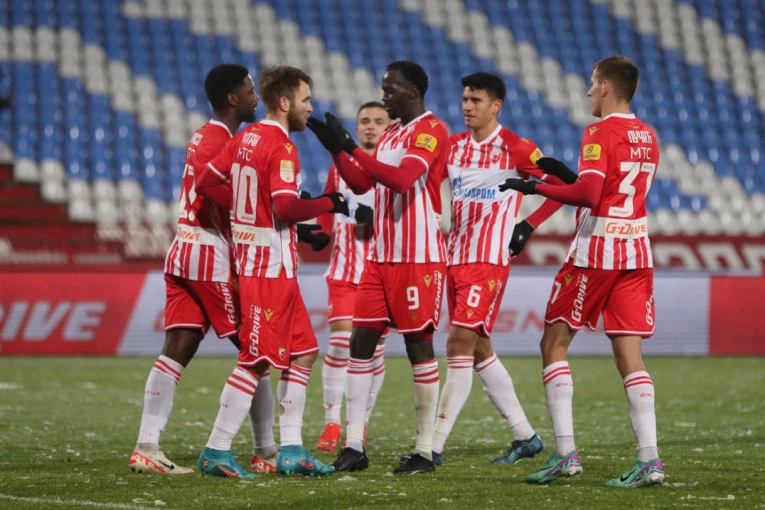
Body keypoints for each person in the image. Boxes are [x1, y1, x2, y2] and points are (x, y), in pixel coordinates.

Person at [498, 56, 664, 488]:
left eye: (592, 83)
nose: (588, 91)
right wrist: (568, 177)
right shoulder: (648, 135)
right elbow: (611, 190)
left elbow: (590, 196)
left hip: (595, 253)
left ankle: (565, 454)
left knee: (553, 343)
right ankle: (650, 459)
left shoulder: (598, 132)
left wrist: (536, 187)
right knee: (630, 357)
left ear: (607, 86)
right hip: (636, 252)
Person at [194, 65, 349, 478]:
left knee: (304, 352)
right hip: (266, 270)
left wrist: (246, 211)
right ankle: (215, 450)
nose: (309, 108)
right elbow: (285, 207)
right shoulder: (281, 147)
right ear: (284, 103)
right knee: (257, 360)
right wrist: (329, 203)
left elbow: (205, 182)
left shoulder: (243, 138)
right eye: (305, 100)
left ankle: (292, 449)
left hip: (270, 265)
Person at [129, 64, 279, 475]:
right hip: (209, 254)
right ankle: (265, 451)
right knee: (257, 349)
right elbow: (216, 195)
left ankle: (146, 447)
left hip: (184, 250)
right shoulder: (219, 140)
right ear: (233, 99)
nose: (255, 97)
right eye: (249, 90)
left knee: (178, 347)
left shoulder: (205, 134)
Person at [308, 60, 449, 474]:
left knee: (417, 346)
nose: (385, 95)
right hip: (380, 256)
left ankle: (424, 451)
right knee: (360, 343)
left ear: (413, 90)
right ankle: (354, 445)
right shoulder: (392, 133)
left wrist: (351, 147)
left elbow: (403, 180)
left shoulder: (430, 129)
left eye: (390, 89)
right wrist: (337, 150)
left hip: (417, 257)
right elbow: (363, 184)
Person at [431, 72, 577, 466]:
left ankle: (431, 447)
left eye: (476, 100)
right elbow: (425, 185)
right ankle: (525, 436)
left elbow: (566, 188)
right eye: (465, 99)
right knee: (479, 348)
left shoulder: (516, 148)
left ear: (496, 106)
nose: (467, 106)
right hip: (454, 259)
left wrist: (528, 224)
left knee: (458, 343)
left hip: (488, 261)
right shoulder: (452, 146)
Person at [316, 101, 392, 452]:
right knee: (340, 343)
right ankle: (332, 422)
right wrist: (318, 230)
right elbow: (329, 206)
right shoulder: (341, 166)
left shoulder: (395, 167)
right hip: (345, 272)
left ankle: (358, 424)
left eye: (379, 121)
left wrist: (375, 220)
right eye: (365, 121)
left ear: (389, 127)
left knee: (373, 353)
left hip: (382, 274)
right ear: (356, 128)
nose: (371, 126)